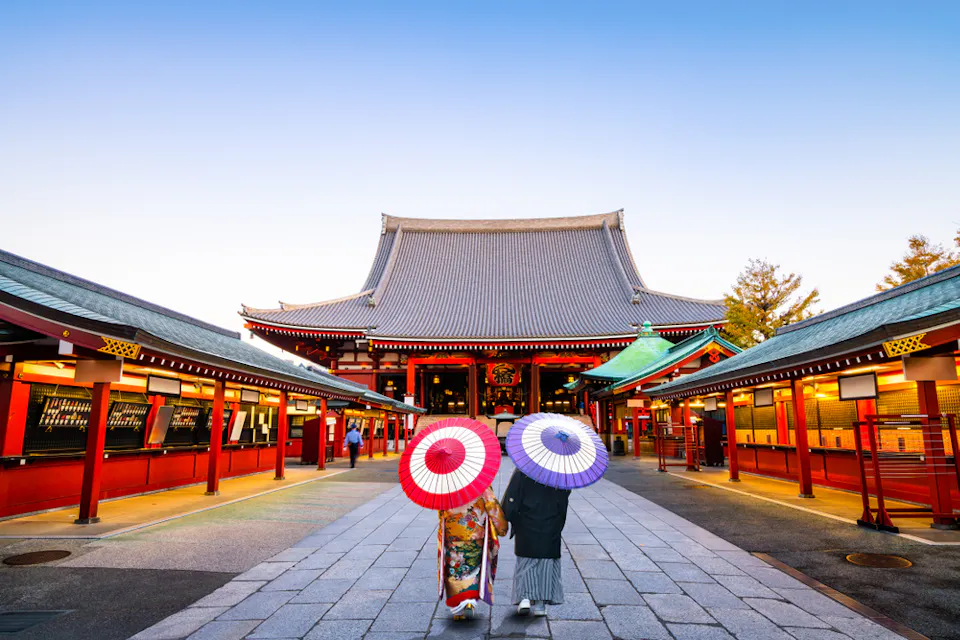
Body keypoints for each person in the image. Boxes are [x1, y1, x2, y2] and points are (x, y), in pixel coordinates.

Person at [501, 469, 571, 617]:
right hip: (551, 520)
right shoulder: (560, 471)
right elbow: (564, 497)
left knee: (526, 561)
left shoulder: (525, 469)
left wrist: (510, 515)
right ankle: (540, 604)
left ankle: (524, 599)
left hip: (526, 520)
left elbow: (513, 495)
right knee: (546, 564)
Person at [438, 486, 508, 620]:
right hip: (475, 532)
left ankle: (458, 608)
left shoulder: (446, 483)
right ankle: (469, 601)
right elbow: (492, 504)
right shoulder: (481, 482)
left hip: (453, 534)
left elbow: (441, 511)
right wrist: (501, 527)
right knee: (473, 568)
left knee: (454, 569)